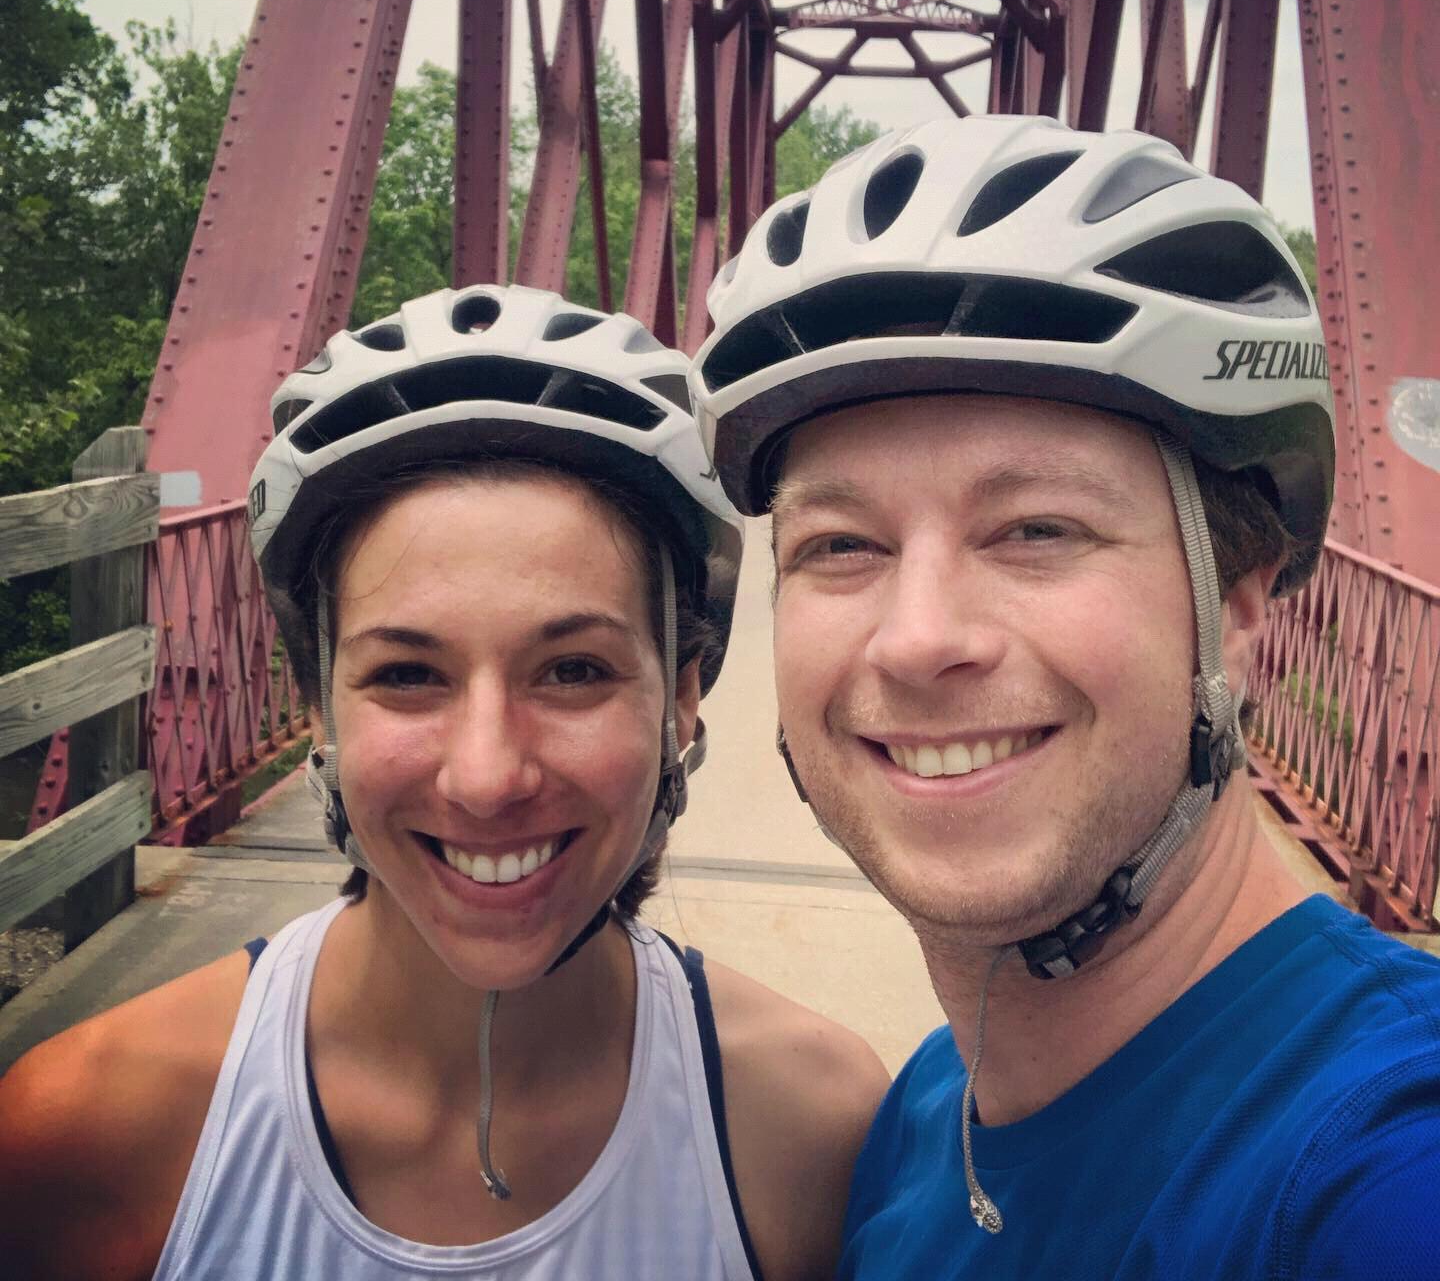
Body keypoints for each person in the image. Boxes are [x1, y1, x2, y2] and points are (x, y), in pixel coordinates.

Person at [0, 285, 888, 1280]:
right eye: (408, 676)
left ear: (681, 697)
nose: (486, 776)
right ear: (319, 716)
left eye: (573, 670)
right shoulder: (85, 1131)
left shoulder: (816, 1131)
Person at [690, 115, 1440, 1278]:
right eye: (841, 545)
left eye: (1038, 528)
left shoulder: (1380, 1174)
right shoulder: (925, 1117)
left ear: (1239, 606)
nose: (919, 638)